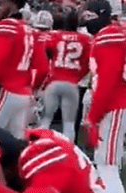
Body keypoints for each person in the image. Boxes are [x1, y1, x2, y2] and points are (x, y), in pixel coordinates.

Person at [82, 0, 126, 193]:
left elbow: (108, 80)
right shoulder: (113, 33)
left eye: (90, 16)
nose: (86, 21)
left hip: (114, 106)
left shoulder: (109, 35)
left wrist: (93, 117)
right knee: (107, 164)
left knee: (107, 166)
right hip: (116, 105)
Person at [0, 0, 49, 138]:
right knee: (16, 145)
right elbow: (43, 68)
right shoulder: (29, 30)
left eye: (1, 3)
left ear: (11, 4)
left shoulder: (6, 27)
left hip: (6, 92)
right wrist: (32, 89)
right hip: (24, 94)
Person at [39, 9, 91, 142]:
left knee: (46, 119)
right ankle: (69, 152)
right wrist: (78, 76)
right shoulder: (86, 39)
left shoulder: (55, 36)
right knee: (68, 123)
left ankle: (39, 145)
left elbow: (45, 54)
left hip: (54, 82)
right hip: (72, 84)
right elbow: (88, 63)